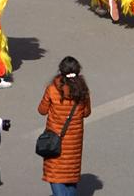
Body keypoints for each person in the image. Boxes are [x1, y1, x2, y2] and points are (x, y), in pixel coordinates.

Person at [38, 56, 93, 196]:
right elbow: (86, 113)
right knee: (70, 175)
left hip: (55, 138)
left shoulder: (52, 89)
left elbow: (42, 110)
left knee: (55, 174)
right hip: (74, 141)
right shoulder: (82, 90)